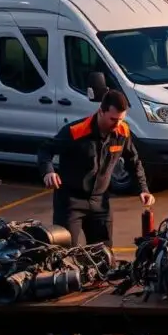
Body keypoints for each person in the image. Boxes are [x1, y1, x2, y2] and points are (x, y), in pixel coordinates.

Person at [37, 90, 155, 247]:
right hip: (71, 202)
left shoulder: (122, 132)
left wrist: (143, 189)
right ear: (101, 111)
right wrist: (48, 171)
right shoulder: (76, 131)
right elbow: (45, 150)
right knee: (64, 253)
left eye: (121, 119)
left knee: (103, 253)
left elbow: (133, 162)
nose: (117, 124)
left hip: (100, 202)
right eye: (113, 119)